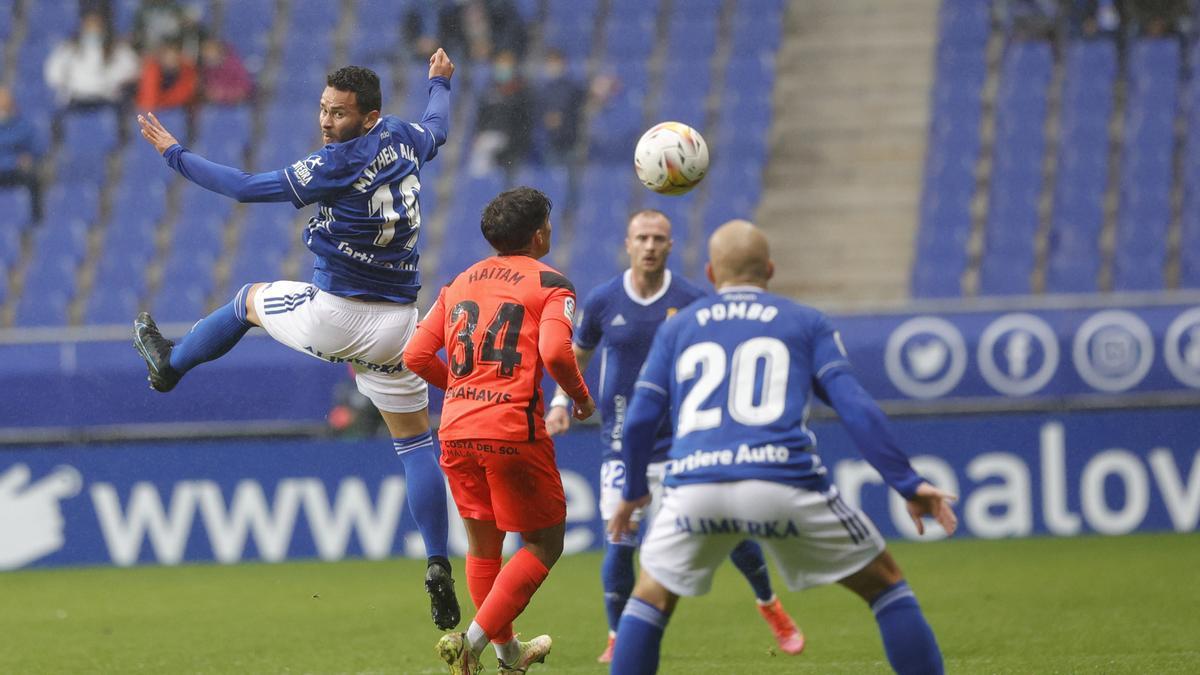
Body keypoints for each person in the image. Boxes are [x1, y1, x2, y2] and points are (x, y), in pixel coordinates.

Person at [131, 52, 462, 632]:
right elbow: (439, 125)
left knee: (248, 300)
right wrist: (439, 83)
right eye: (322, 109)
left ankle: (169, 365)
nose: (326, 122)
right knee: (414, 445)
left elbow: (242, 188)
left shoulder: (337, 163)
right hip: (400, 328)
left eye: (338, 113)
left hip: (337, 315)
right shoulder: (405, 137)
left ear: (368, 117)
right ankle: (437, 559)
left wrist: (174, 154)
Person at [607, 220, 959, 675]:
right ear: (770, 270)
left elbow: (638, 420)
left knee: (650, 595)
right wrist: (908, 483)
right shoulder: (804, 321)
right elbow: (856, 408)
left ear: (711, 275)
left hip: (695, 485)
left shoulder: (680, 327)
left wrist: (634, 491)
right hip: (783, 480)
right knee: (886, 584)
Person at [544, 210, 805, 663]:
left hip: (687, 445)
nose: (649, 246)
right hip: (623, 445)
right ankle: (616, 634)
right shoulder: (605, 300)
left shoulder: (692, 299)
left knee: (730, 531)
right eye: (642, 237)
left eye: (658, 239)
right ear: (627, 243)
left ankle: (771, 606)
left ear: (670, 246)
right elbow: (577, 355)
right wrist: (561, 404)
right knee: (620, 542)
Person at [402, 187, 596, 674]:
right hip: (512, 430)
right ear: (538, 233)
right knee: (543, 544)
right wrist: (580, 397)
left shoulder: (459, 283)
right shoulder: (552, 284)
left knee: (483, 547)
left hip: (456, 430)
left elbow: (415, 356)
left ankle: (511, 657)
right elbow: (554, 352)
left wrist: (464, 389)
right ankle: (470, 643)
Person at [44, 10, 139, 114]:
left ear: (103, 29)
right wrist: (66, 84)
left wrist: (114, 82)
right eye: (89, 27)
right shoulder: (68, 50)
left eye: (96, 27)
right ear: (82, 29)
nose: (93, 31)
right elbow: (53, 74)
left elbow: (134, 69)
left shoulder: (117, 49)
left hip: (107, 99)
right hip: (76, 99)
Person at [0, 87, 44, 223]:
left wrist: (29, 158)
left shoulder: (24, 125)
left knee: (32, 180)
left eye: (4, 107)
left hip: (16, 170)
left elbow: (37, 149)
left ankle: (36, 220)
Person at [535, 50, 584, 164]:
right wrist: (546, 119)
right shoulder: (543, 89)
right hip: (550, 140)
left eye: (555, 62)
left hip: (570, 139)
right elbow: (539, 112)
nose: (552, 66)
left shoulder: (572, 87)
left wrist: (563, 119)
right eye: (550, 62)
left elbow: (578, 109)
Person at [136, 41, 198, 112]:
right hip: (154, 109)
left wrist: (163, 102)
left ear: (179, 57)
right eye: (168, 56)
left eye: (173, 56)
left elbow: (183, 95)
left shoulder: (187, 72)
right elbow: (148, 99)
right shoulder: (153, 70)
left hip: (177, 109)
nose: (170, 59)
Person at [198, 37, 254, 106]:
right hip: (215, 105)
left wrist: (223, 93)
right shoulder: (206, 69)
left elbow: (244, 88)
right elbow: (205, 88)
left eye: (210, 52)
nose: (207, 56)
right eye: (204, 54)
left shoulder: (233, 65)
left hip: (235, 104)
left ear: (218, 51)